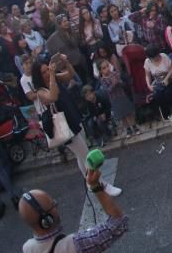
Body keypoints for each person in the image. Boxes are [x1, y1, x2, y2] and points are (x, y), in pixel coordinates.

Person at [20, 166, 135, 253]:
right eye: (53, 204)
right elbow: (118, 223)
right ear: (46, 220)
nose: (56, 206)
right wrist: (96, 186)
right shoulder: (78, 245)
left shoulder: (28, 250)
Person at [26, 55, 122, 197]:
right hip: (63, 126)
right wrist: (53, 75)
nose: (48, 73)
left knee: (80, 155)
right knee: (87, 156)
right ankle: (101, 185)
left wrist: (66, 61)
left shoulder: (54, 78)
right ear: (38, 76)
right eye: (44, 72)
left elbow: (70, 75)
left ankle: (90, 182)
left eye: (48, 69)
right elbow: (53, 97)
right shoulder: (40, 91)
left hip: (72, 118)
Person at [143, 46, 172, 126]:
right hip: (159, 83)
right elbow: (147, 75)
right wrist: (149, 85)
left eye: (157, 56)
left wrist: (166, 79)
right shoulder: (147, 62)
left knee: (169, 94)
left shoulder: (164, 56)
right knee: (157, 96)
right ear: (150, 58)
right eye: (154, 58)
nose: (156, 59)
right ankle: (169, 115)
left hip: (171, 79)